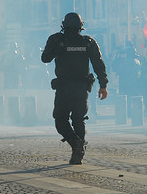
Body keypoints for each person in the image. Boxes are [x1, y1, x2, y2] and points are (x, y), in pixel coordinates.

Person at [41, 12, 108, 165]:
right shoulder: (88, 42)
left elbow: (45, 58)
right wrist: (103, 85)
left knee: (60, 119)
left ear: (63, 25)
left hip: (64, 87)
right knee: (79, 119)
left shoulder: (57, 40)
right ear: (81, 26)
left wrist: (53, 44)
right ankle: (78, 151)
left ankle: (75, 144)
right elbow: (99, 64)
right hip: (81, 88)